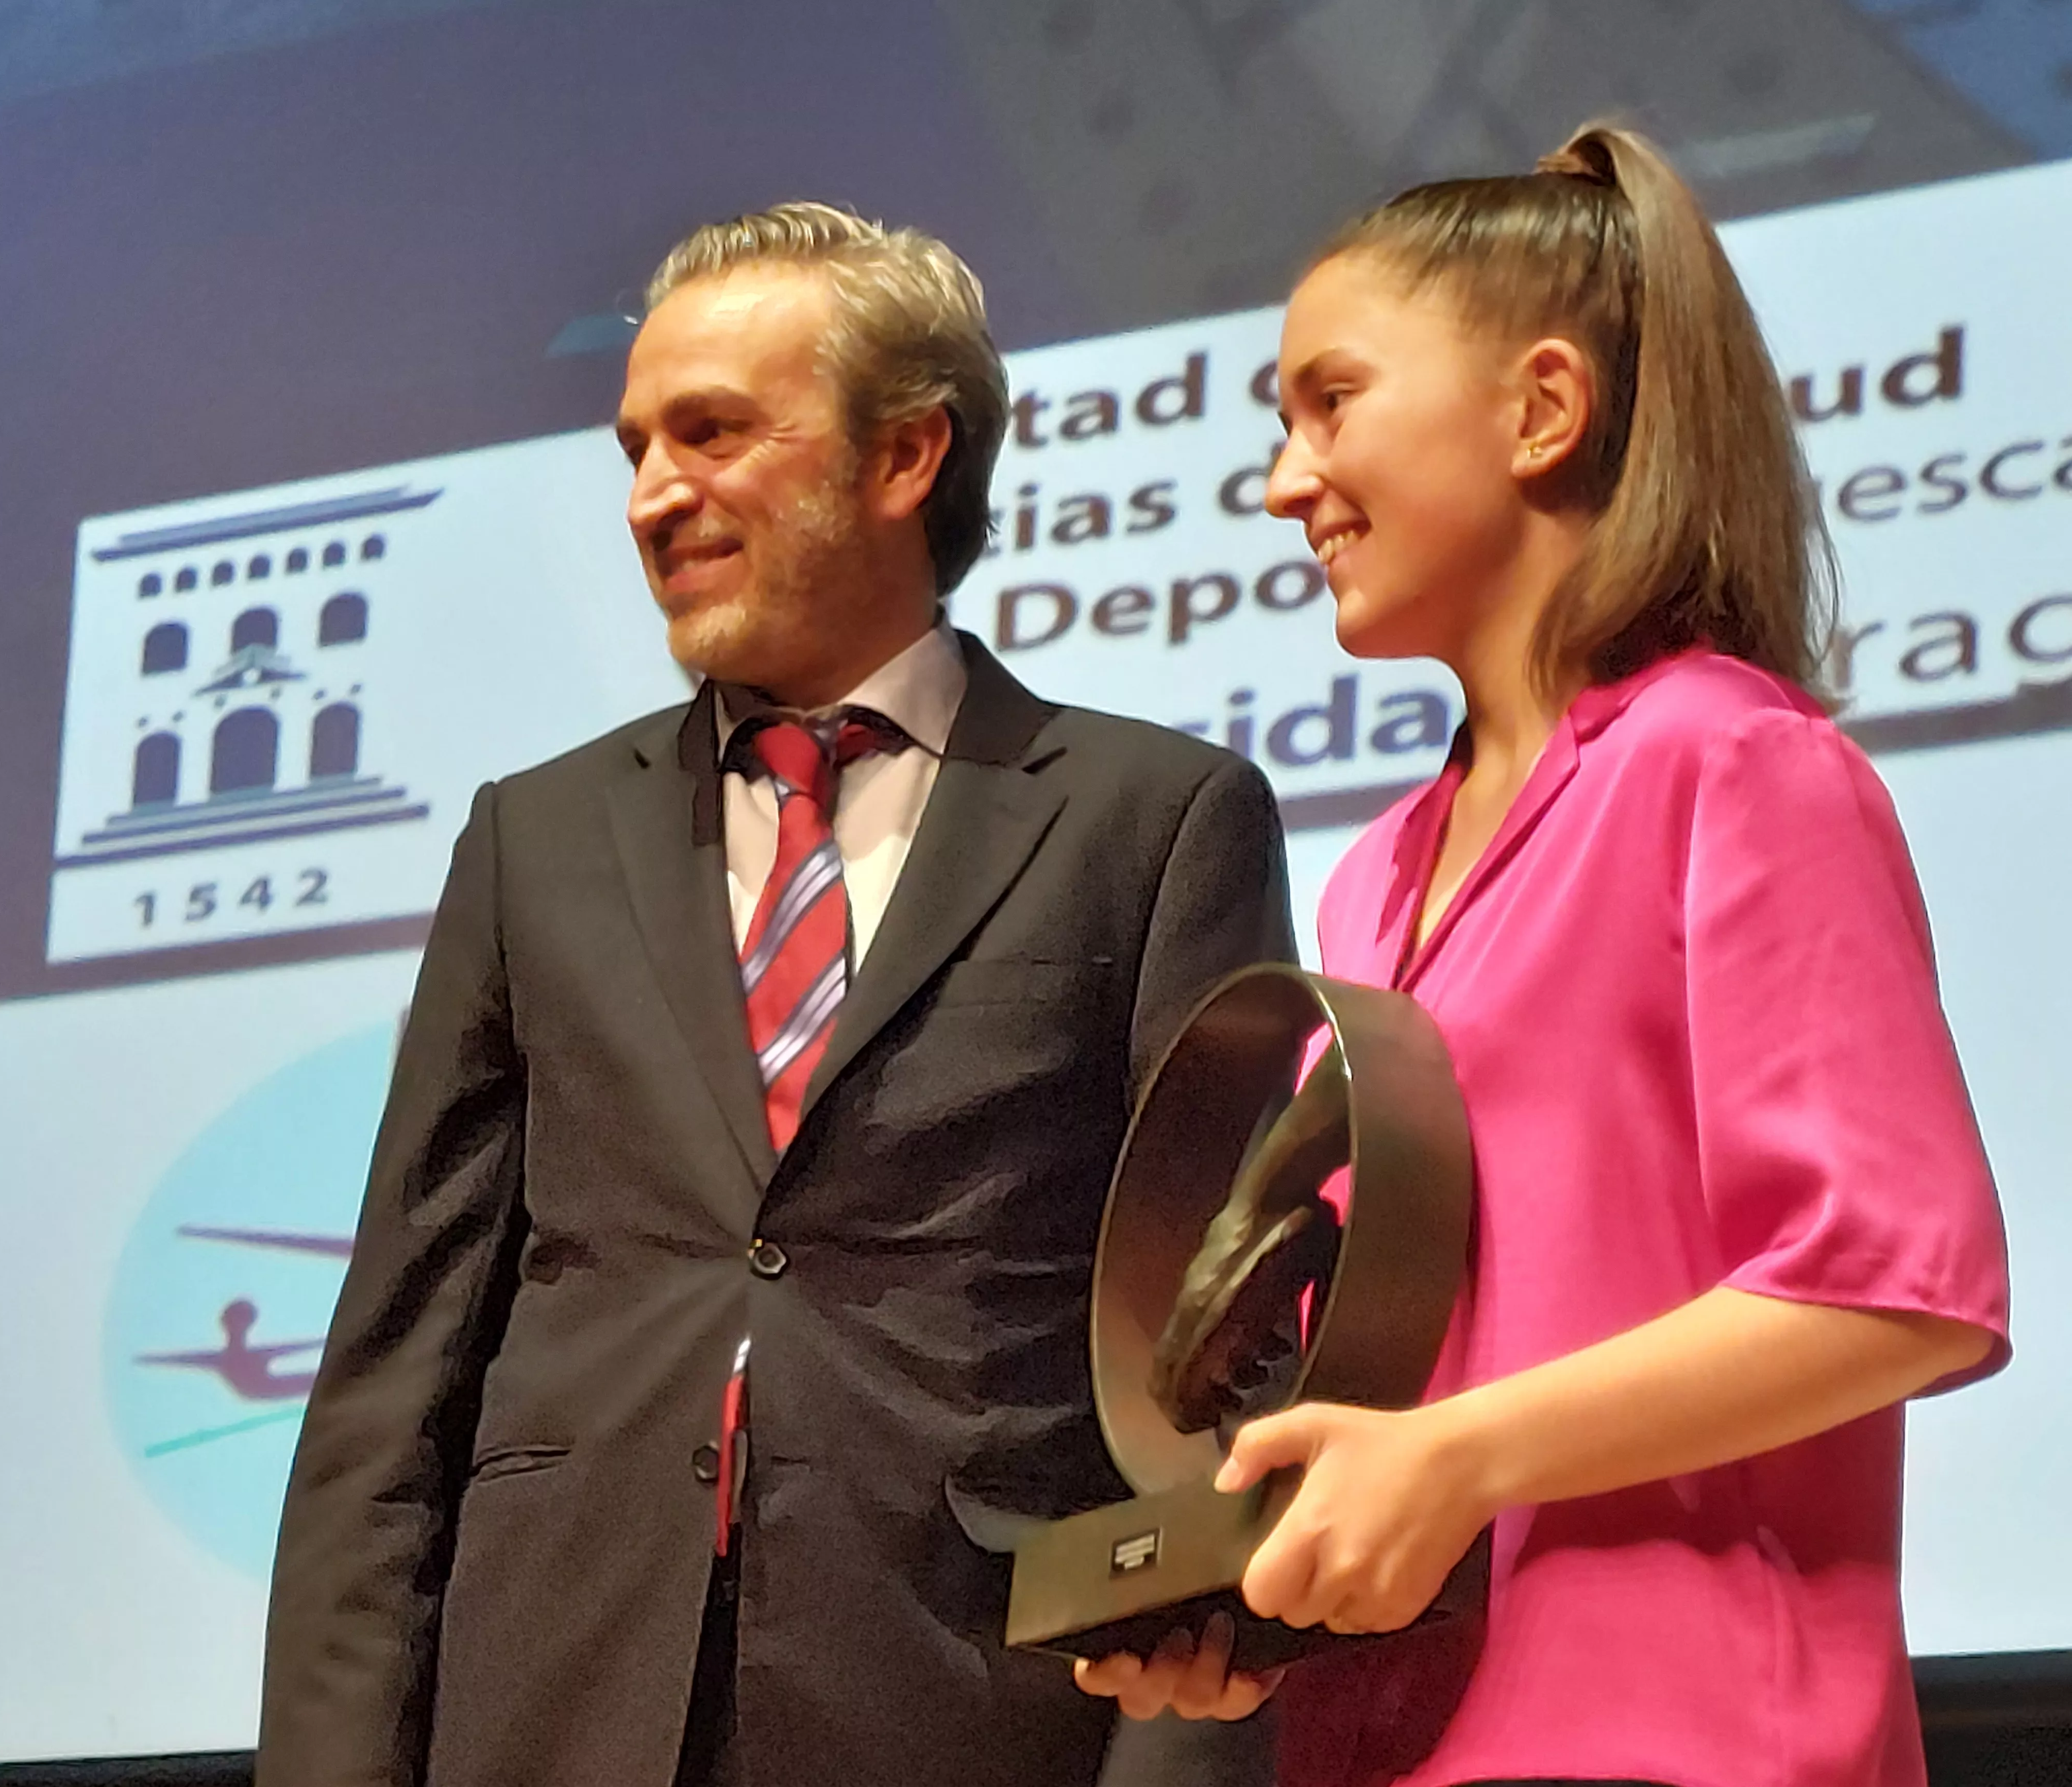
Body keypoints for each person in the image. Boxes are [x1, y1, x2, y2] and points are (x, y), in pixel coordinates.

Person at [256, 203, 1294, 1787]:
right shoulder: (534, 838)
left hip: (970, 1712)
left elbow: (1215, 1355)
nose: (655, 495)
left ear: (906, 458)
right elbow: (397, 1372)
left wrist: (1177, 1750)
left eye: (715, 431)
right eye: (637, 450)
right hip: (557, 1701)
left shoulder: (1152, 820)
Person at [1076, 124, 2011, 1787]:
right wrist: (1253, 1591)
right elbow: (1407, 1374)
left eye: (1331, 402)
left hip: (1700, 1739)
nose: (1288, 479)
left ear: (1542, 409)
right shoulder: (1375, 876)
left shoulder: (1732, 765)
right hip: (1400, 1742)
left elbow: (1891, 1287)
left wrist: (1453, 1457)